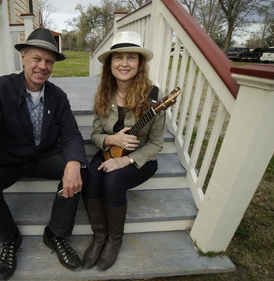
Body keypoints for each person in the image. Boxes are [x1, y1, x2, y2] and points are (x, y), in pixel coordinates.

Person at [0, 28, 88, 281]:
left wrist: (74, 163)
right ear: (23, 57)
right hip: (10, 159)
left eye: (49, 61)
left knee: (80, 171)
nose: (43, 66)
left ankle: (56, 234)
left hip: (43, 157)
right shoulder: (1, 88)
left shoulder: (58, 96)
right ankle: (10, 239)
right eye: (37, 58)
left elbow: (71, 134)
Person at [82, 31, 165, 270]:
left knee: (112, 181)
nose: (124, 63)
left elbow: (156, 144)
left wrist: (126, 162)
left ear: (140, 64)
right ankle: (99, 238)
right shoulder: (103, 94)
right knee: (90, 177)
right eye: (118, 57)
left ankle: (114, 240)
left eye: (131, 57)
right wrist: (111, 138)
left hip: (141, 159)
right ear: (110, 64)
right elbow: (95, 135)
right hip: (110, 151)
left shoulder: (153, 98)